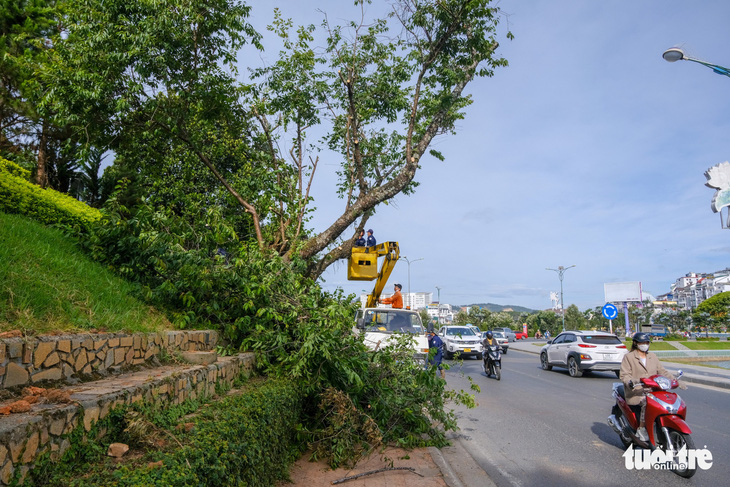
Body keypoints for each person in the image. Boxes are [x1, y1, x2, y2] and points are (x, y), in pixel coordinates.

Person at [619, 332, 674, 442]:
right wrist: (631, 381)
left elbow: (662, 371)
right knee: (646, 401)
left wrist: (674, 380)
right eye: (642, 342)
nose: (645, 344)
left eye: (647, 342)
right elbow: (624, 375)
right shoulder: (629, 357)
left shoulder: (652, 356)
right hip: (637, 391)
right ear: (635, 343)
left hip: (654, 390)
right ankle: (642, 428)